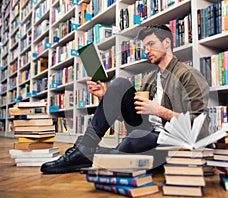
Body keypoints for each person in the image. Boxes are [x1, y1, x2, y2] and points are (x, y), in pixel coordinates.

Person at [41, 24, 209, 174]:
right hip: (145, 132)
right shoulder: (151, 77)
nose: (147, 50)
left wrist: (159, 111)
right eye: (145, 47)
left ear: (166, 43)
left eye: (151, 44)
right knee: (120, 84)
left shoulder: (189, 75)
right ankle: (86, 148)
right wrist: (104, 98)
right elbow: (131, 115)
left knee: (132, 142)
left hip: (170, 139)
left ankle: (88, 154)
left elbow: (199, 124)